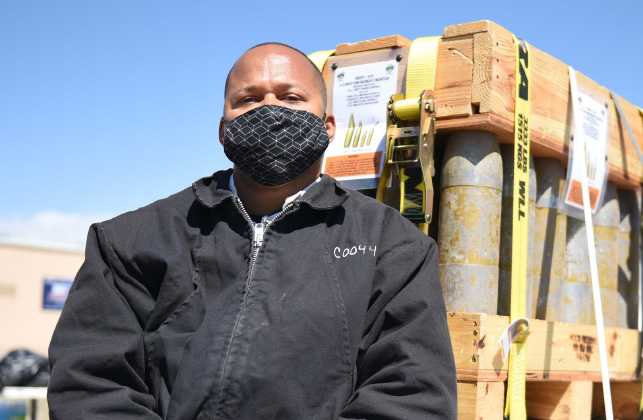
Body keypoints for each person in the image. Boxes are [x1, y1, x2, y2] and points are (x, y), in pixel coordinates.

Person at [48, 42, 458, 420]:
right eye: (249, 99)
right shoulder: (130, 240)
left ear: (328, 126)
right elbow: (91, 384)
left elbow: (411, 396)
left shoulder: (394, 247)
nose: (270, 109)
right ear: (224, 130)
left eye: (291, 97)